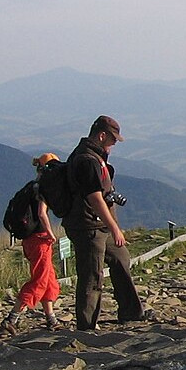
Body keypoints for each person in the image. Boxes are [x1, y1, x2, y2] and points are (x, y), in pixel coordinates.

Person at [62, 115, 145, 330]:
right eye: (112, 140)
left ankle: (131, 313)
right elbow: (95, 198)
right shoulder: (87, 161)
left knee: (121, 259)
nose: (114, 144)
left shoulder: (92, 157)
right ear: (101, 135)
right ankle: (87, 327)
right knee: (92, 276)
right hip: (88, 226)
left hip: (99, 225)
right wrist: (115, 228)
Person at [0, 153, 63, 336]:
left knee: (48, 279)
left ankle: (51, 319)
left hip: (29, 241)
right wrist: (50, 233)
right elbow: (41, 213)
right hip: (40, 240)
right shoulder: (42, 189)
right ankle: (12, 318)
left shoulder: (30, 187)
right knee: (39, 280)